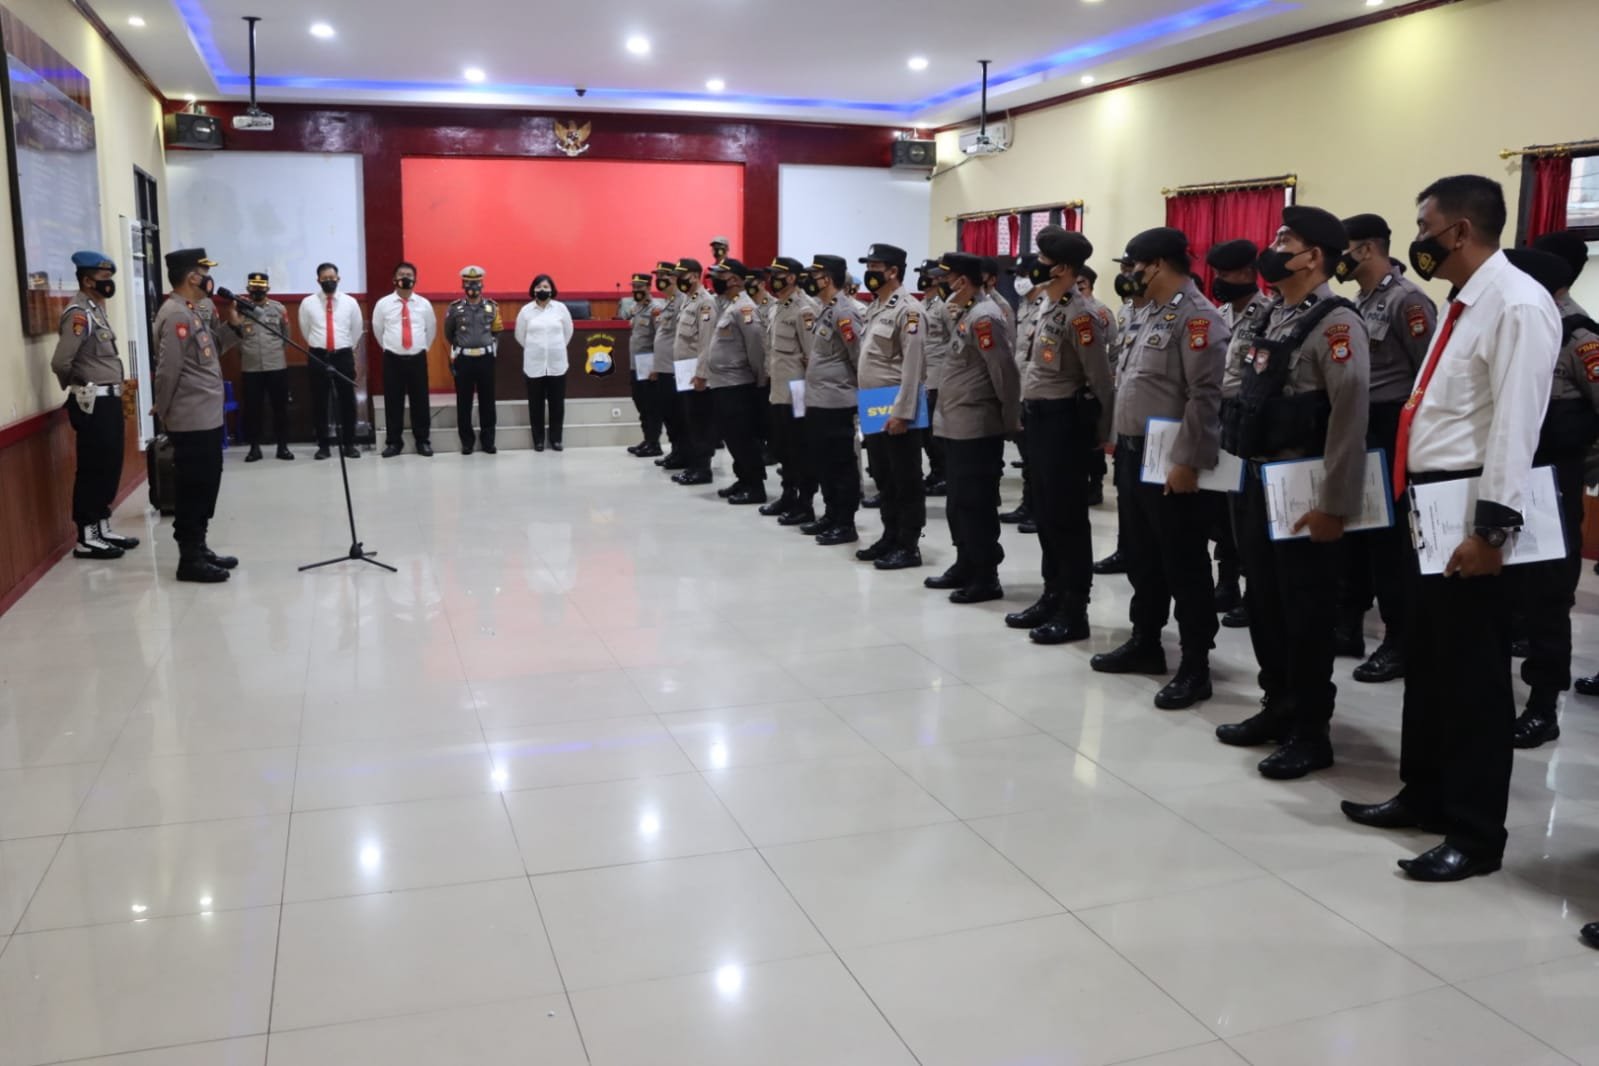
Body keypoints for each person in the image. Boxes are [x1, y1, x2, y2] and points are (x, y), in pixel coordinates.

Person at [1342, 175, 1559, 882]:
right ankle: (1424, 793)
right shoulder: (1465, 301)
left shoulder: (1517, 303)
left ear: (1459, 230)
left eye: (1424, 227)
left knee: (1471, 679)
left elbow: (1516, 425)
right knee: (1430, 664)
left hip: (1470, 508)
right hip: (1430, 503)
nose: (1419, 240)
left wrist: (1491, 531)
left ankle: (1474, 833)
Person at [1214, 207, 1370, 777]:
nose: (1274, 247)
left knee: (1305, 611)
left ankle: (1310, 730)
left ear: (1313, 257)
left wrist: (1335, 504)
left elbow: (1348, 420)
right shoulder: (1271, 315)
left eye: (1286, 240)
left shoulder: (1337, 324)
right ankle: (1276, 704)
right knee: (1264, 603)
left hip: (1304, 488)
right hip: (1256, 479)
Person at [1091, 228, 1229, 710]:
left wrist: (1188, 461)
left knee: (1183, 563)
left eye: (1133, 266)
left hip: (1172, 460)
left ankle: (1195, 664)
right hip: (1135, 454)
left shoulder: (1198, 318)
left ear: (1157, 265)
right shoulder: (1145, 312)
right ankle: (1145, 640)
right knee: (1142, 557)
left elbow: (1205, 397)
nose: (1129, 274)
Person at [1499, 247, 1599, 748]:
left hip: (1553, 484)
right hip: (1509, 475)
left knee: (1547, 596)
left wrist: (1584, 468)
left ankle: (1543, 705)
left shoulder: (1580, 337)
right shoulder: (1521, 323)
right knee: (1505, 591)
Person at [1332, 213, 1438, 682]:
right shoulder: (1357, 301)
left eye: (1345, 249)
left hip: (1390, 427)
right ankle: (1347, 626)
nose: (1338, 259)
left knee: (1389, 544)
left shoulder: (1407, 301)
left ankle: (1399, 641)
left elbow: (1427, 375)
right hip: (1358, 425)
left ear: (1368, 248)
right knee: (1354, 534)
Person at [1005, 227, 1112, 643]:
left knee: (1067, 520)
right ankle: (1051, 595)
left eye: (1044, 260)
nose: (1037, 266)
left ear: (1063, 268)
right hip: (1039, 419)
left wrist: (1103, 434)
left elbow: (1099, 380)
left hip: (1064, 422)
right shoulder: (1046, 305)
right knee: (1047, 516)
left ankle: (1074, 608)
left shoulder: (1080, 315)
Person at [924, 252, 1021, 603]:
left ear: (962, 281)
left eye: (946, 279)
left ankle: (985, 575)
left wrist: (1010, 418)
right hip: (955, 421)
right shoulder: (965, 312)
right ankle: (965, 562)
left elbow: (1004, 372)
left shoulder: (985, 317)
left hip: (976, 424)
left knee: (976, 503)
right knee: (959, 502)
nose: (941, 284)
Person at [153, 248, 239, 583]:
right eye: (204, 273)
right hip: (190, 418)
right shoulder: (176, 314)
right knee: (193, 486)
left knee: (207, 483)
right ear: (192, 277)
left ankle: (200, 547)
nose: (208, 278)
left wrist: (234, 326)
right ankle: (189, 559)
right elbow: (168, 369)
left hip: (206, 415)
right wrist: (163, 408)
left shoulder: (192, 311)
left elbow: (210, 351)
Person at [50, 251, 138, 560]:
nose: (109, 283)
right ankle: (86, 536)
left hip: (109, 400)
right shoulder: (78, 314)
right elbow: (61, 362)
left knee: (110, 465)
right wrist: (79, 387)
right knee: (93, 468)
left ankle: (102, 526)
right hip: (92, 402)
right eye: (103, 278)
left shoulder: (96, 311)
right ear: (88, 281)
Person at [1209, 240, 1273, 629]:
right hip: (1218, 420)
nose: (1220, 281)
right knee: (1221, 509)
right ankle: (1226, 582)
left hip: (1246, 421)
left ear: (1249, 273)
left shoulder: (1266, 314)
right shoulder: (1217, 314)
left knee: (1246, 512)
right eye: (1217, 274)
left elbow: (1256, 376)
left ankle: (1253, 592)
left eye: (1227, 274)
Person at [854, 243, 928, 570]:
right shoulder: (876, 307)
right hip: (873, 402)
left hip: (895, 404)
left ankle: (908, 545)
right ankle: (890, 534)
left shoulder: (909, 311)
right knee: (883, 474)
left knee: (905, 477)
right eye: (869, 266)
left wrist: (903, 413)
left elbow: (913, 367)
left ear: (894, 271)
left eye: (875, 267)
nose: (869, 272)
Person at [1093, 258, 1153, 577]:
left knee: (1148, 502)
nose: (1126, 276)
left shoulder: (1161, 313)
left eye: (1132, 269)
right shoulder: (1127, 310)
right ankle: (1125, 550)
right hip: (1126, 411)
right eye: (1124, 270)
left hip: (1154, 426)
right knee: (1125, 492)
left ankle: (1142, 554)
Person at [799, 254, 865, 544]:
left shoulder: (845, 312)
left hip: (837, 401)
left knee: (841, 463)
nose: (809, 281)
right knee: (823, 461)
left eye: (814, 275)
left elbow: (858, 356)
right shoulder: (826, 309)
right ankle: (831, 513)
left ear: (827, 278)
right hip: (819, 400)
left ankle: (845, 522)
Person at [699, 259, 769, 503]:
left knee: (743, 437)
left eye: (721, 275)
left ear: (736, 280)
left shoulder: (744, 308)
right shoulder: (728, 306)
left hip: (738, 384)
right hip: (723, 384)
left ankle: (755, 486)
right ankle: (743, 479)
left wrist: (759, 381)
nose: (715, 280)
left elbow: (756, 349)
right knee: (732, 437)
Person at [761, 257, 819, 525]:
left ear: (792, 278)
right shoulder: (777, 307)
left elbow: (812, 355)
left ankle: (804, 503)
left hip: (798, 391)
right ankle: (788, 495)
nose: (772, 279)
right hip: (778, 390)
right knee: (783, 447)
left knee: (800, 448)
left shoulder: (804, 309)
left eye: (777, 274)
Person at [1000, 255, 1050, 530]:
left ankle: (1040, 511)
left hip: (1039, 392)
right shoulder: (1025, 305)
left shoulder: (1047, 305)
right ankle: (1027, 505)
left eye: (1023, 274)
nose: (1019, 280)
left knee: (1039, 460)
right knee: (1028, 458)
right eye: (1017, 274)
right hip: (1021, 389)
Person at [298, 262, 364, 461]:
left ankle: (349, 444)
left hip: (343, 355)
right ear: (318, 280)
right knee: (319, 402)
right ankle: (323, 446)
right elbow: (305, 330)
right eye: (325, 279)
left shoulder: (350, 302)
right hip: (318, 355)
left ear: (338, 279)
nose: (329, 281)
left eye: (332, 278)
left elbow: (356, 329)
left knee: (347, 401)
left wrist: (347, 347)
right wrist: (320, 345)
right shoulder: (308, 303)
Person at [372, 261, 438, 458]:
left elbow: (430, 329)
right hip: (393, 358)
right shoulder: (383, 304)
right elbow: (378, 330)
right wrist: (390, 346)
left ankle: (422, 441)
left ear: (415, 279)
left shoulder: (424, 304)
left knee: (420, 400)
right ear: (394, 279)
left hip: (417, 357)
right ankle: (394, 442)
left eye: (409, 275)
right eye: (401, 274)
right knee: (393, 400)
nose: (405, 278)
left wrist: (422, 347)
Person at [443, 265, 503, 455]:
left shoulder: (492, 307)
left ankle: (488, 441)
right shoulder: (455, 308)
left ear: (482, 284)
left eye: (476, 283)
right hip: (464, 360)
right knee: (464, 402)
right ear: (463, 285)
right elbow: (449, 333)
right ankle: (467, 442)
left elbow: (497, 332)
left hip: (485, 359)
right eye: (469, 283)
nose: (473, 287)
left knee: (487, 401)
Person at [236, 272, 293, 463]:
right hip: (251, 367)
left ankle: (283, 447)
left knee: (280, 408)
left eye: (261, 288)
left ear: (267, 289)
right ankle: (254, 448)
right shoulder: (241, 309)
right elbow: (236, 337)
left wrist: (273, 352)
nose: (257, 291)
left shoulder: (278, 308)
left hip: (276, 365)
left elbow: (286, 336)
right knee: (253, 410)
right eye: (254, 287)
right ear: (248, 289)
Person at [672, 258, 719, 485]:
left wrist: (702, 374)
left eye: (682, 275)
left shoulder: (705, 302)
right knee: (689, 420)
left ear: (694, 275)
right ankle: (693, 466)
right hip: (684, 371)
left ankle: (702, 469)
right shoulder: (687, 300)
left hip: (696, 373)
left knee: (700, 422)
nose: (678, 279)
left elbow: (706, 342)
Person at [1077, 265, 1119, 507]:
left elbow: (1114, 348)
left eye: (1082, 284)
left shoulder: (1101, 312)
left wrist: (1107, 377)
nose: (1078, 288)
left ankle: (1096, 485)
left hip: (1094, 384)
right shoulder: (1070, 310)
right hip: (1074, 385)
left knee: (1094, 440)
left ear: (1090, 286)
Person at [516, 274, 573, 452]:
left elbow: (568, 332)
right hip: (534, 364)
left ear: (552, 290)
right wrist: (536, 349)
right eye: (539, 287)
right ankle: (538, 440)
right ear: (533, 290)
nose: (542, 290)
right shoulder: (526, 311)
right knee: (536, 404)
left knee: (557, 404)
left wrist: (555, 348)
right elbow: (520, 336)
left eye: (546, 287)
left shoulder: (560, 309)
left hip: (557, 364)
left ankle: (556, 439)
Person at [917, 259, 953, 496]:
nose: (923, 278)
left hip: (938, 375)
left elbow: (952, 339)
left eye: (927, 274)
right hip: (923, 375)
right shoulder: (923, 304)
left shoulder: (944, 306)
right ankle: (936, 471)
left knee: (934, 430)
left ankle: (944, 475)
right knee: (924, 431)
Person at [649, 262, 690, 470]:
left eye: (664, 275)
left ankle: (684, 453)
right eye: (658, 276)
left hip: (675, 368)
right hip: (664, 367)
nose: (660, 280)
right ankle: (676, 451)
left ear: (674, 278)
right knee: (668, 413)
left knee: (678, 414)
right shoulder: (668, 301)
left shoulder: (682, 301)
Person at [624, 272, 666, 457]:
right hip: (636, 364)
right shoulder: (635, 308)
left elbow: (660, 338)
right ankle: (647, 439)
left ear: (649, 287)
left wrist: (656, 366)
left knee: (652, 406)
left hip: (649, 364)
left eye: (640, 287)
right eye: (634, 287)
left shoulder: (655, 309)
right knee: (640, 402)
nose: (636, 290)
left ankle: (654, 443)